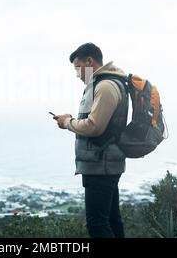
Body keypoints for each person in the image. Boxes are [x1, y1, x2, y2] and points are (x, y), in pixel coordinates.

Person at [53, 42, 129, 238]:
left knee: (97, 224)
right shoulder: (105, 83)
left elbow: (95, 126)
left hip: (100, 164)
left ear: (89, 61)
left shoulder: (105, 86)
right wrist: (71, 120)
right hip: (104, 162)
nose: (77, 74)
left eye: (78, 68)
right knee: (111, 220)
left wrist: (68, 122)